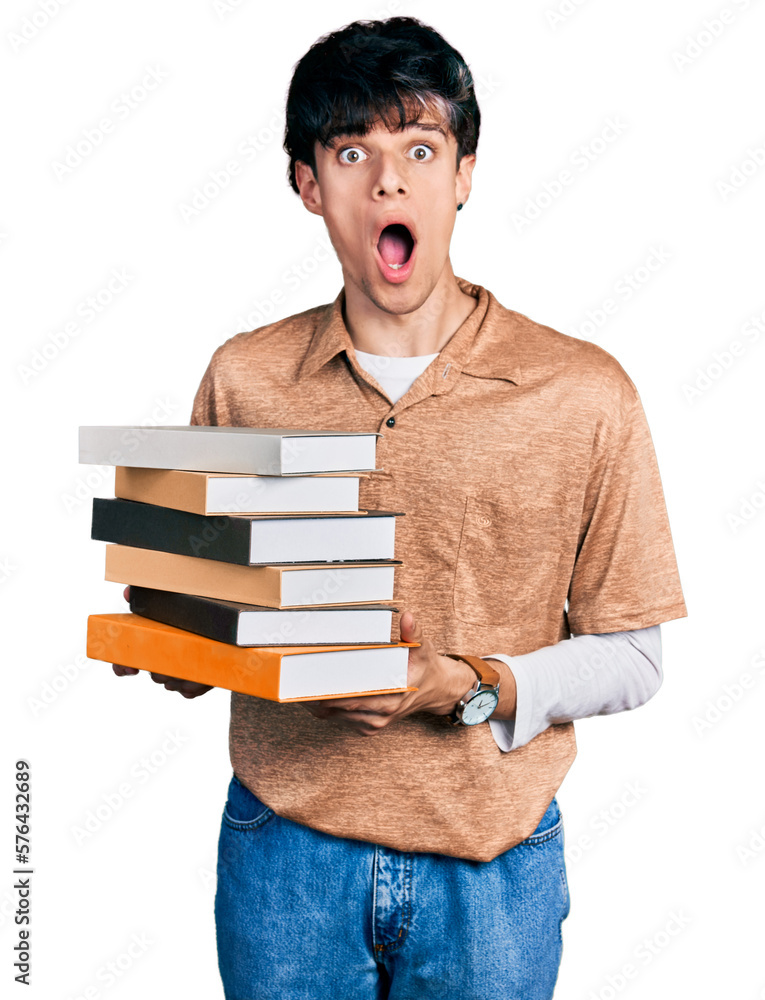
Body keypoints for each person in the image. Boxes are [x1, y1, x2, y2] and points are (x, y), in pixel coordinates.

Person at [114, 16, 687, 998]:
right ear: (309, 186)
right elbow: (192, 639)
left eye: (420, 149)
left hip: (494, 864)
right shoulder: (244, 379)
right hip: (282, 853)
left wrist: (460, 684)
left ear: (464, 172)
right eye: (353, 153)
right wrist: (166, 635)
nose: (390, 183)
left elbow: (635, 658)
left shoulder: (586, 392)